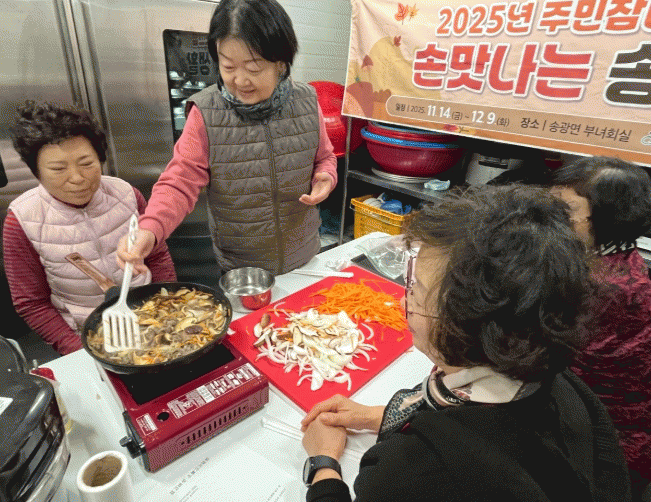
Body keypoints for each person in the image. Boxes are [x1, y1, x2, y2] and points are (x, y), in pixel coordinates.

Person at [300, 185, 631, 502]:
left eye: (417, 290)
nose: (404, 301)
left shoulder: (414, 471)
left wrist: (323, 462)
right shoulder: (560, 383)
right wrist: (378, 415)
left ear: (467, 324)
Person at [117, 0, 337, 278]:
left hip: (304, 256)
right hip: (243, 272)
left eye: (253, 68)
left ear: (281, 63)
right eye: (228, 66)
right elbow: (179, 181)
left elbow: (324, 157)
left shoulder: (306, 100)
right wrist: (149, 229)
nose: (240, 80)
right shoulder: (206, 112)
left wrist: (326, 176)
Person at [4, 101, 176, 355]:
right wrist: (80, 351)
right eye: (58, 169)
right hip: (85, 334)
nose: (77, 178)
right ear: (36, 172)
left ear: (100, 159)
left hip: (153, 314)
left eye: (86, 163)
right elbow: (32, 303)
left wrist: (166, 308)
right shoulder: (21, 221)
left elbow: (158, 257)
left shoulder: (126, 194)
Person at [551, 156, 651, 500]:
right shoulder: (611, 256)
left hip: (604, 443)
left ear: (608, 218)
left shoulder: (607, 286)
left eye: (565, 211)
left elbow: (538, 355)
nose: (552, 220)